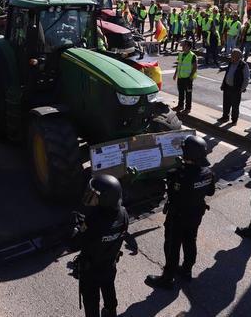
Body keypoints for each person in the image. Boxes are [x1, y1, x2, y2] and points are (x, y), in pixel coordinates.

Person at [146, 136, 215, 289]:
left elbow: (172, 194)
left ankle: (167, 278)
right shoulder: (208, 172)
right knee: (190, 240)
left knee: (172, 245)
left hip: (178, 215)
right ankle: (186, 270)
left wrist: (177, 171)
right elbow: (210, 192)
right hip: (196, 214)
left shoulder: (178, 175)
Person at [70, 175, 129, 317]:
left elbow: (75, 243)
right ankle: (111, 311)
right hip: (109, 264)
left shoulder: (93, 221)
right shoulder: (123, 213)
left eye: (95, 196)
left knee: (91, 299)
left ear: (106, 199)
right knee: (109, 288)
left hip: (91, 270)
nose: (92, 197)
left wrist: (77, 228)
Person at [219, 49, 250, 125]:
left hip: (236, 89)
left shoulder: (243, 65)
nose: (231, 57)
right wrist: (223, 84)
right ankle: (225, 117)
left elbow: (246, 79)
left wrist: (241, 89)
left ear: (238, 57)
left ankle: (234, 120)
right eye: (231, 55)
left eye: (233, 56)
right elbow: (227, 74)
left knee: (235, 106)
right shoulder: (231, 63)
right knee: (226, 103)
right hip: (227, 87)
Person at [173, 40, 197, 113]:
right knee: (181, 92)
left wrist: (190, 77)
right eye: (183, 45)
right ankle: (180, 106)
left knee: (188, 94)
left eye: (185, 45)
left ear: (189, 47)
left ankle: (188, 108)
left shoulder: (192, 56)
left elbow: (195, 67)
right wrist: (175, 74)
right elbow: (178, 64)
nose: (183, 47)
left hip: (188, 78)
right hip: (180, 77)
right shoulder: (180, 54)